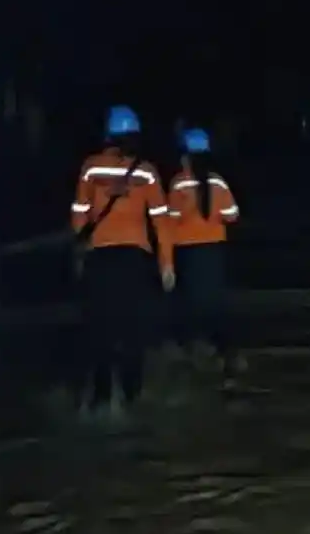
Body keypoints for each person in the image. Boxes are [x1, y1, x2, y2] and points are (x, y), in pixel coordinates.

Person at [70, 104, 176, 423]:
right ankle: (131, 397)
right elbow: (162, 224)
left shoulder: (91, 168)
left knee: (100, 328)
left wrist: (83, 245)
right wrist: (166, 264)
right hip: (136, 259)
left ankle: (101, 398)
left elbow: (78, 218)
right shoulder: (147, 172)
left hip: (100, 258)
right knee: (134, 329)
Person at [167, 127, 241, 376]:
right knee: (215, 301)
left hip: (187, 252)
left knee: (190, 302)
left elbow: (171, 219)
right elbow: (232, 215)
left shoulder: (179, 183)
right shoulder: (218, 181)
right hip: (214, 250)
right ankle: (227, 354)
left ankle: (193, 353)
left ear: (185, 155)